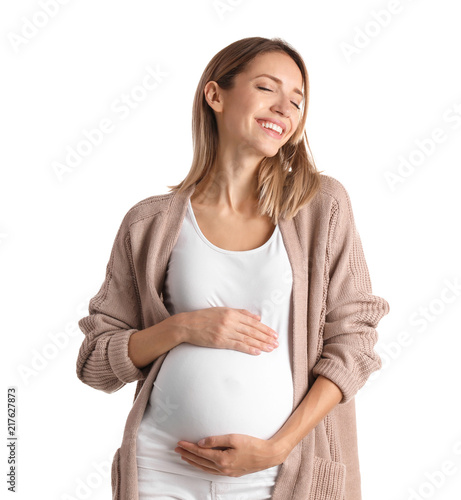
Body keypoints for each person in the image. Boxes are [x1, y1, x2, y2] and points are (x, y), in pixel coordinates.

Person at [76, 36, 390, 500]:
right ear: (215, 95)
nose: (285, 107)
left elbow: (355, 341)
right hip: (162, 470)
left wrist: (277, 448)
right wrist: (182, 328)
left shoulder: (322, 206)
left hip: (279, 473)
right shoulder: (151, 223)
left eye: (297, 100)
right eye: (268, 88)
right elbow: (94, 363)